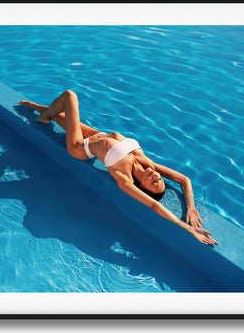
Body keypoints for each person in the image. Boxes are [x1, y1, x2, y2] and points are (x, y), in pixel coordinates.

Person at [19, 90, 218, 245]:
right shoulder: (145, 161)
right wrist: (190, 208)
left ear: (142, 186)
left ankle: (42, 114)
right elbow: (184, 180)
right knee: (55, 115)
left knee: (70, 96)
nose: (157, 176)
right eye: (159, 179)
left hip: (81, 147)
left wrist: (187, 228)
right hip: (98, 135)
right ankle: (41, 113)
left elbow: (154, 205)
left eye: (153, 182)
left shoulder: (124, 178)